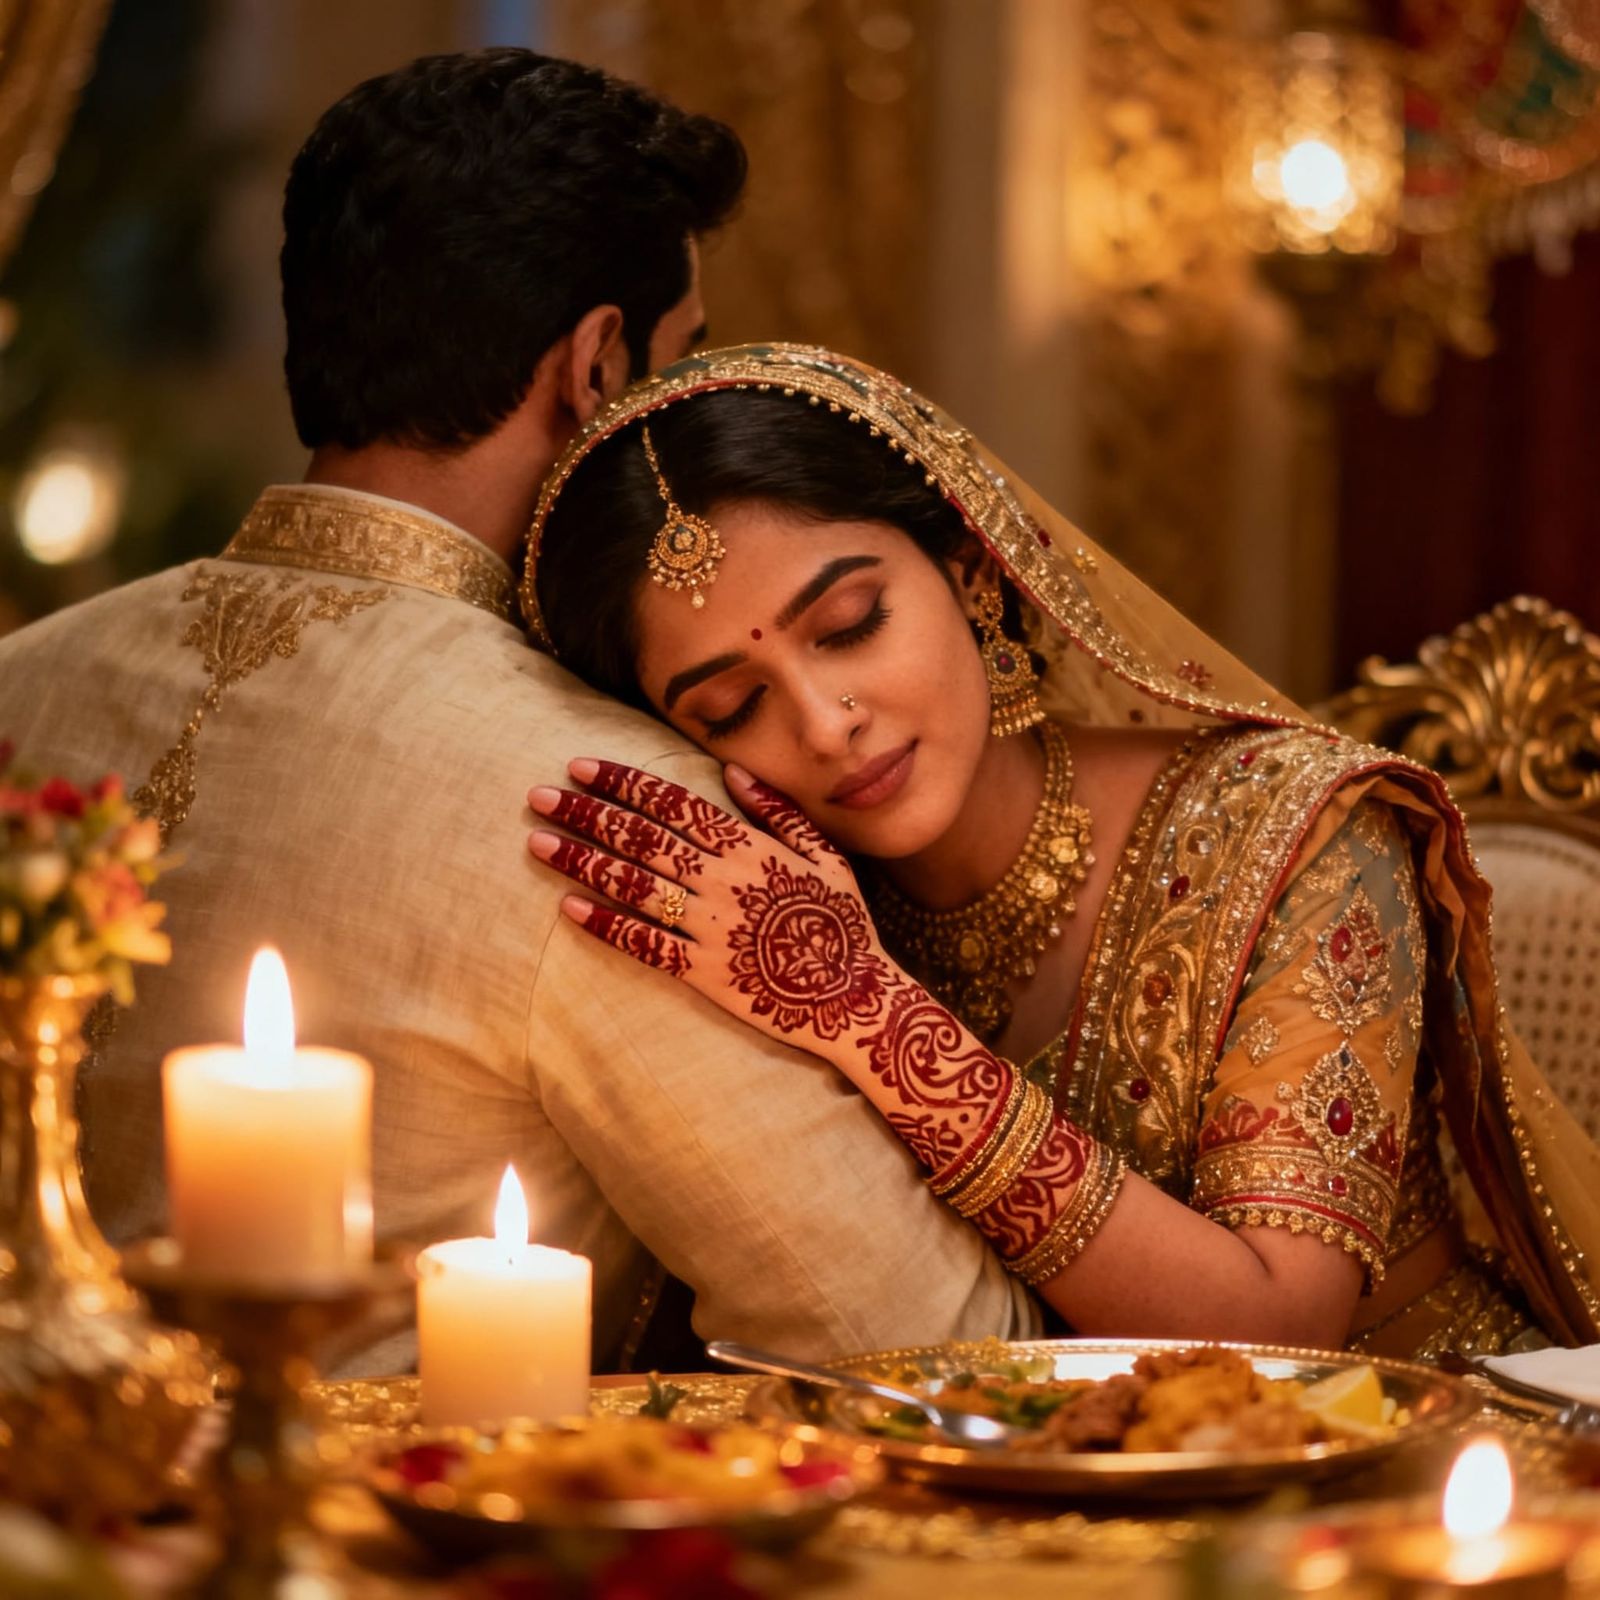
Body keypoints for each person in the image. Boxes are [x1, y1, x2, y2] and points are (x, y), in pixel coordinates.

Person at [0, 59, 1038, 1371]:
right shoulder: (611, 815)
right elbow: (910, 1344)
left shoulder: (25, 679)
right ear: (600, 366)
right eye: (688, 358)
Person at [524, 342, 1600, 1358]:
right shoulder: (763, 906)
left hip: (1411, 1469)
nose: (822, 722)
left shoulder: (1294, 828)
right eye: (731, 705)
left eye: (851, 623)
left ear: (970, 570)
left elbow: (1277, 1330)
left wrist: (866, 1015)